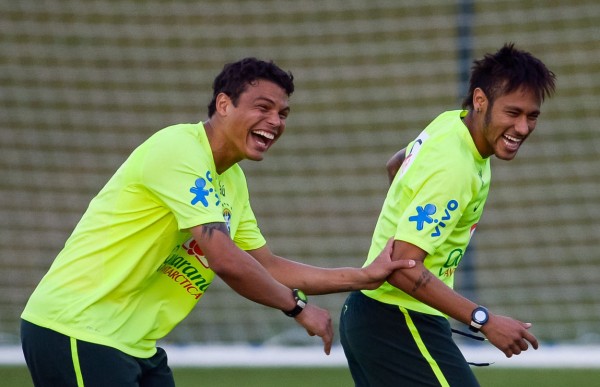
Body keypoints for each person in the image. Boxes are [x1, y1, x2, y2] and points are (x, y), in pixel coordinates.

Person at [20, 57, 416, 387]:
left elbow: (268, 265)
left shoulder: (233, 181)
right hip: (75, 330)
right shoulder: (178, 149)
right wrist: (297, 308)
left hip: (133, 344)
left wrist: (363, 276)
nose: (275, 121)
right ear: (223, 104)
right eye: (262, 108)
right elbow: (225, 259)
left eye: (283, 113)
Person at [339, 43, 556, 387]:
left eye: (532, 116)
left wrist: (413, 208)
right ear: (481, 100)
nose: (523, 127)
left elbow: (397, 164)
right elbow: (402, 269)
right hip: (398, 319)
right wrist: (483, 320)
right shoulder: (455, 169)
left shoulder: (450, 125)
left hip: (374, 317)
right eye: (513, 113)